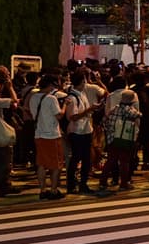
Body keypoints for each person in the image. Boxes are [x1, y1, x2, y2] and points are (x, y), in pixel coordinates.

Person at [28, 71, 66, 199]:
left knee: (41, 164)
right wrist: (65, 105)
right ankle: (54, 190)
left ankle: (42, 190)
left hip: (39, 134)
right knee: (56, 164)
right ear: (50, 85)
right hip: (52, 135)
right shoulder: (51, 98)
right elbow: (59, 115)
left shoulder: (33, 97)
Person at [64, 70, 102, 194]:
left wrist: (92, 109)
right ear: (81, 82)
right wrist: (90, 109)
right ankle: (71, 185)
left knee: (86, 159)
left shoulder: (81, 94)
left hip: (86, 130)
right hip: (77, 131)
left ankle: (83, 184)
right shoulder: (72, 97)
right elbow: (73, 117)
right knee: (76, 158)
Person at [101, 88, 141, 190]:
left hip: (112, 138)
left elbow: (105, 119)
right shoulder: (128, 109)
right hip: (123, 138)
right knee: (124, 161)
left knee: (110, 160)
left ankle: (103, 181)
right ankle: (124, 183)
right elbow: (138, 115)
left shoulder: (115, 108)